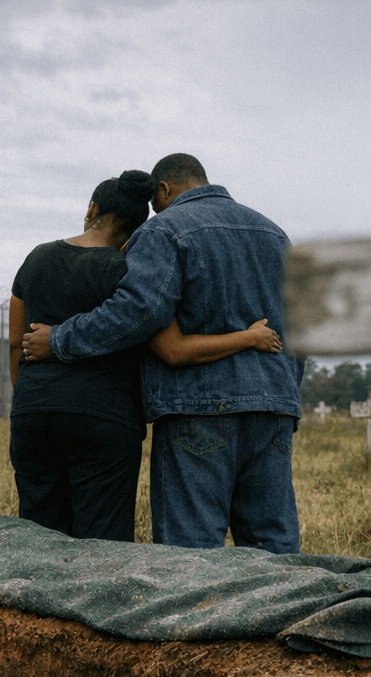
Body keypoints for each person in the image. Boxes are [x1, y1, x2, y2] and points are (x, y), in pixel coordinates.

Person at [21, 154, 305, 553]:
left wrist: (58, 340)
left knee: (190, 556)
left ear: (165, 189)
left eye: (155, 202)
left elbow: (138, 312)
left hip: (198, 409)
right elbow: (298, 330)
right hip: (274, 408)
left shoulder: (165, 230)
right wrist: (287, 398)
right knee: (273, 550)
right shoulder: (276, 235)